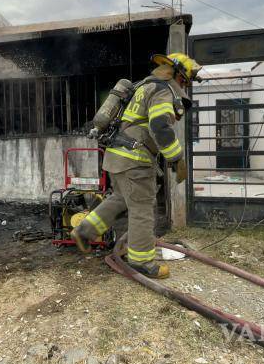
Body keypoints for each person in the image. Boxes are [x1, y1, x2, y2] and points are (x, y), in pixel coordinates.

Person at [71, 53, 201, 279]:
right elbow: (160, 126)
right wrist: (176, 158)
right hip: (134, 160)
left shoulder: (142, 87)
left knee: (120, 198)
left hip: (115, 156)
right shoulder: (162, 90)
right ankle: (141, 262)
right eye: (185, 82)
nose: (184, 87)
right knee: (142, 209)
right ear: (179, 76)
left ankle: (84, 231)